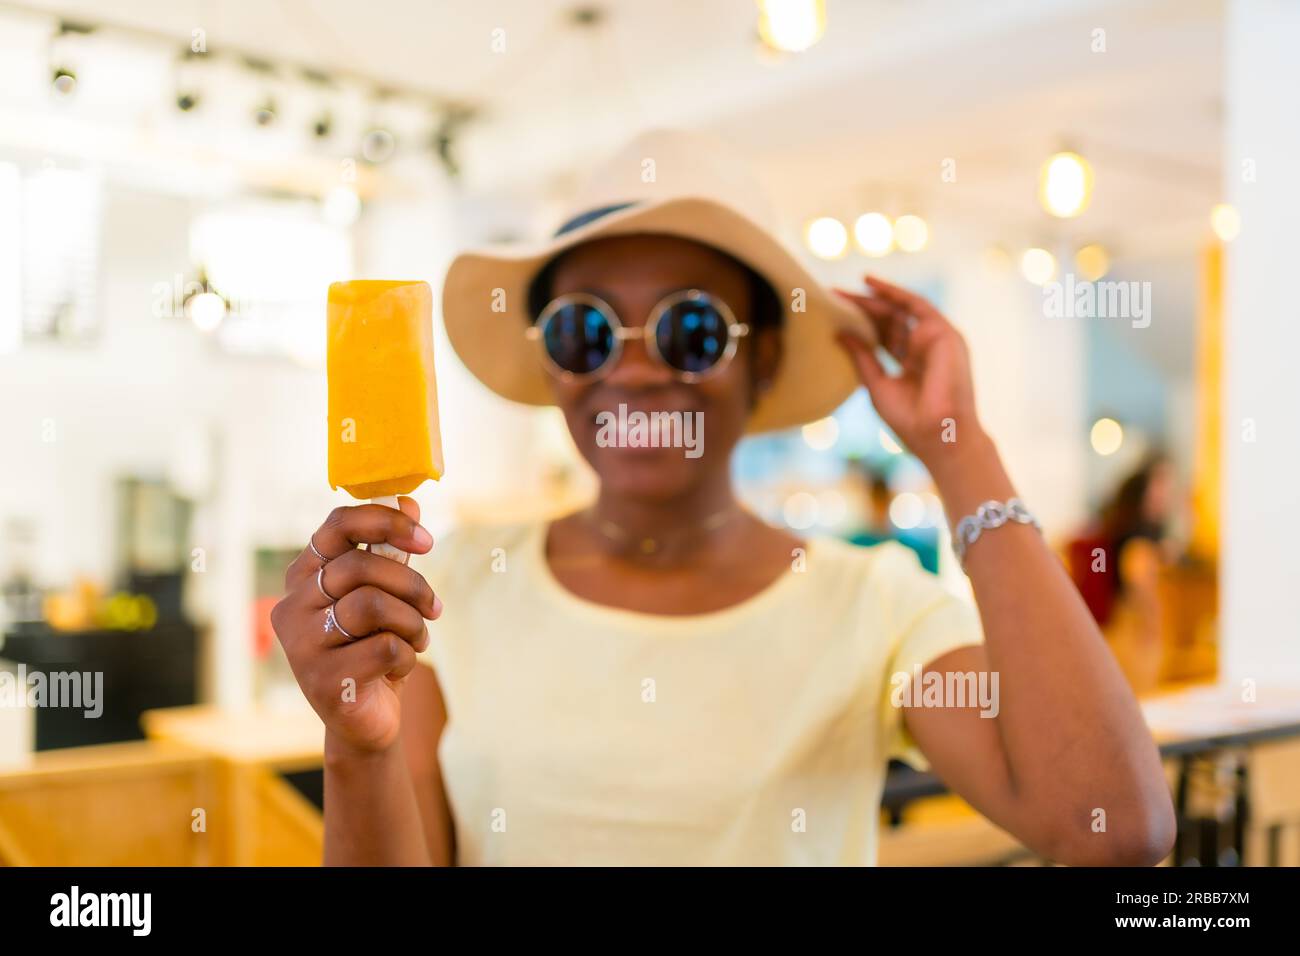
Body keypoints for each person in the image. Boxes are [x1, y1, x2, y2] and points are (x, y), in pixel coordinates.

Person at [271, 130, 1174, 866]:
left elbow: (1112, 824)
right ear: (554, 366)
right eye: (587, 330)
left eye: (690, 328)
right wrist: (357, 745)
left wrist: (960, 451)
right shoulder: (448, 588)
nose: (633, 369)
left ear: (765, 359)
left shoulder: (872, 607)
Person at [1069, 456, 1179, 693]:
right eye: (1159, 489)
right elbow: (1142, 586)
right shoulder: (1139, 546)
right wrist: (1154, 627)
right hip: (1134, 640)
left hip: (1115, 637)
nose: (1166, 497)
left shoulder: (1120, 534)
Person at [846, 464, 940, 573]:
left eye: (882, 502)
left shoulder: (911, 546)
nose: (880, 509)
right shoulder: (857, 544)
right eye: (877, 502)